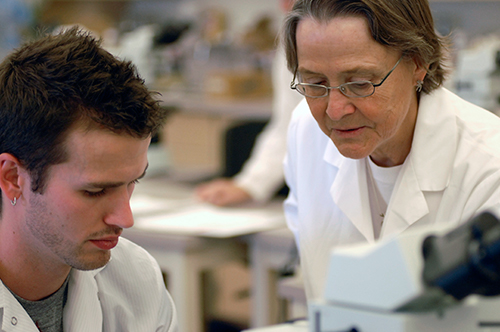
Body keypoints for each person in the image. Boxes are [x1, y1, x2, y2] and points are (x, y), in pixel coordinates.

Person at [282, 0, 500, 301]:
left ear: (418, 64)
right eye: (315, 83)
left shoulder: (489, 164)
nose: (334, 110)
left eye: (359, 83)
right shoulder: (305, 131)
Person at [0, 27, 178, 331]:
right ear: (13, 177)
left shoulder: (137, 281)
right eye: (95, 191)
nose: (125, 217)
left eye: (133, 182)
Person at [195, 0, 303, 206]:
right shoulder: (293, 39)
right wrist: (249, 185)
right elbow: (287, 127)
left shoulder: (369, 27)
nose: (284, 4)